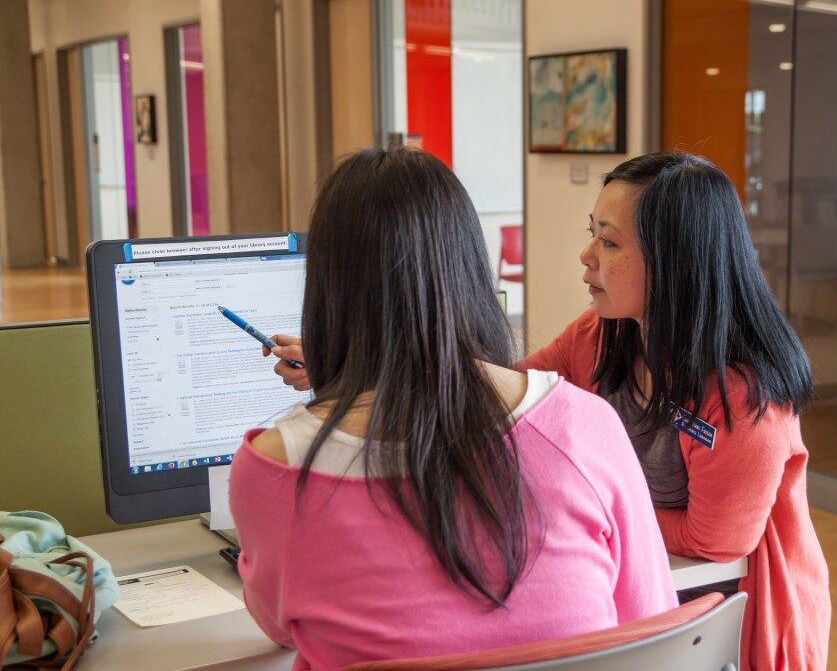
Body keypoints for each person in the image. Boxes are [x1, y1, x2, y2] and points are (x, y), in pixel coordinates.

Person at [231, 147, 678, 669]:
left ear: (328, 288)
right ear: (469, 267)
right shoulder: (586, 425)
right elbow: (653, 627)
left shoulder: (274, 467)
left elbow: (276, 623)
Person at [521, 152, 831, 669]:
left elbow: (713, 541)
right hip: (652, 587)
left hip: (735, 612)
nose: (586, 255)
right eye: (592, 233)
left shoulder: (744, 393)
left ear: (674, 262)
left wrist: (601, 509)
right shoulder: (602, 334)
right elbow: (520, 393)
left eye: (610, 241)